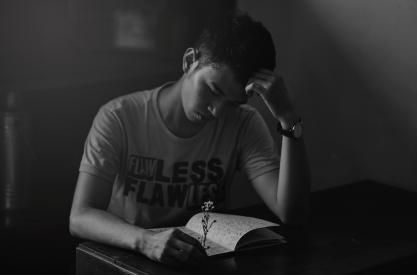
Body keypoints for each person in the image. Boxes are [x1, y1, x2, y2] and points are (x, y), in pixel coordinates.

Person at [69, 11, 310, 267]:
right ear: (189, 61)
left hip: (203, 261)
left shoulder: (244, 123)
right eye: (213, 90)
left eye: (232, 103)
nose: (217, 111)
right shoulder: (118, 117)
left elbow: (291, 214)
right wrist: (145, 240)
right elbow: (80, 216)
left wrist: (287, 117)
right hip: (130, 260)